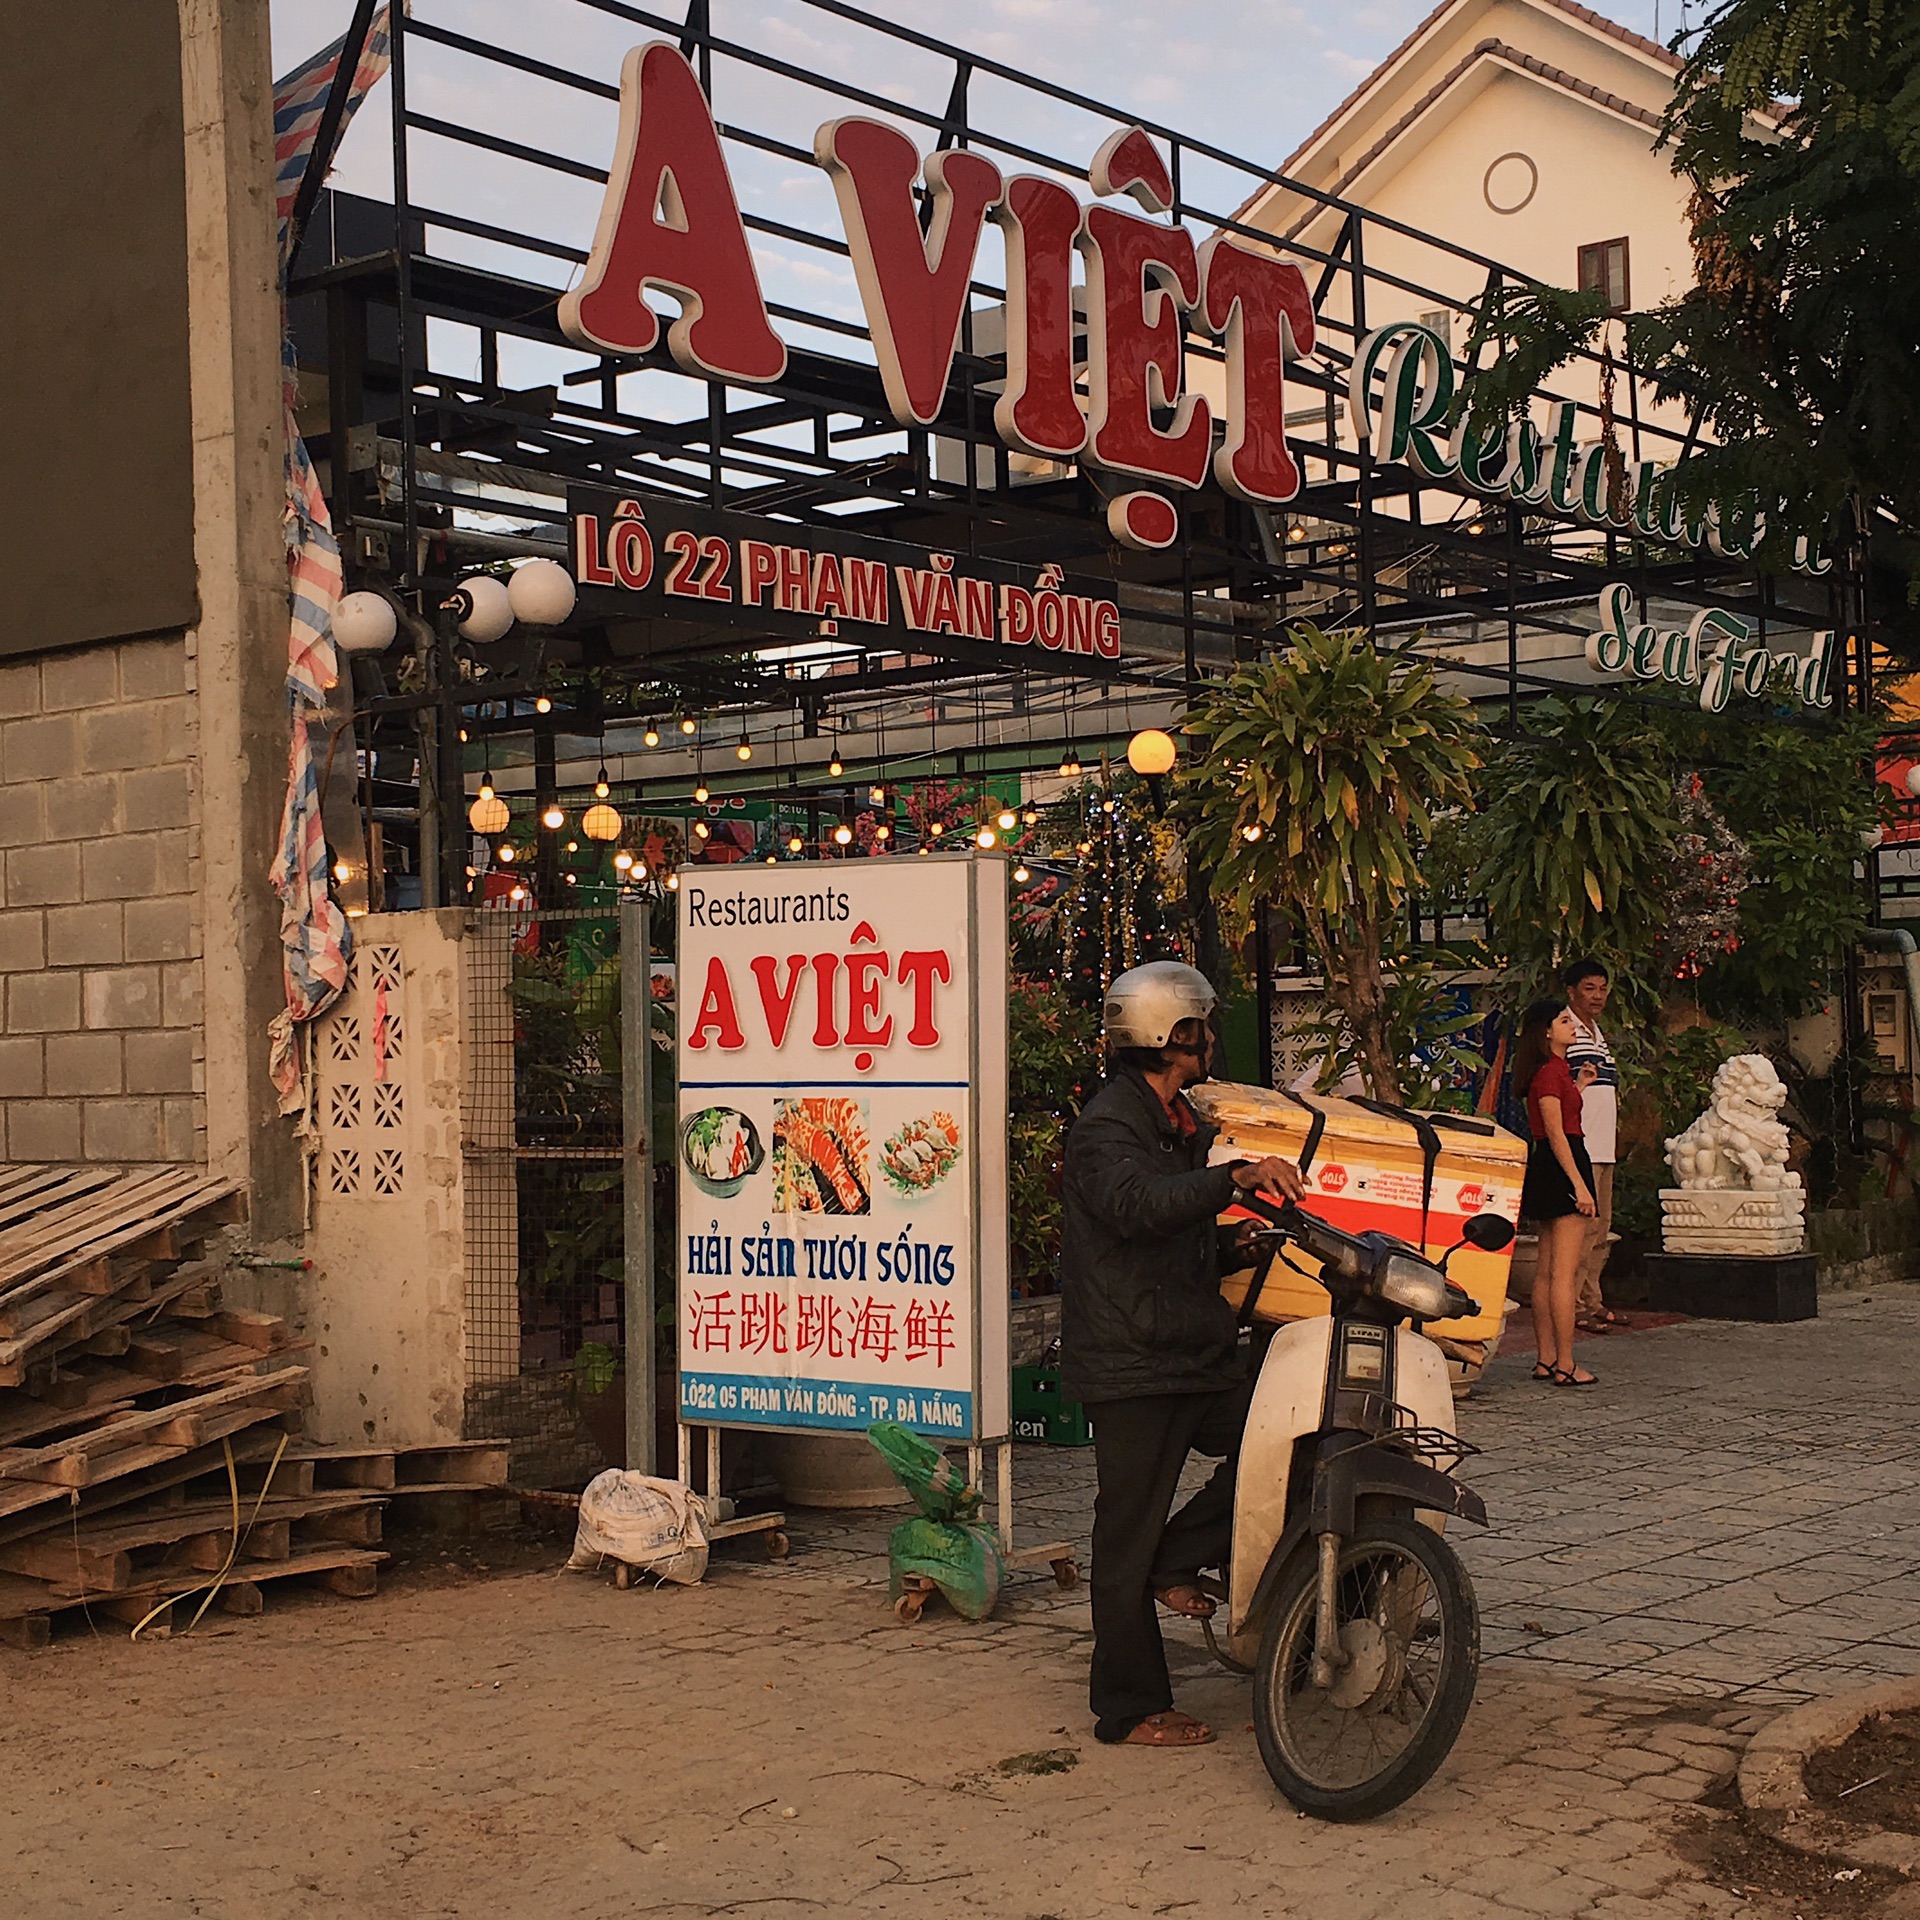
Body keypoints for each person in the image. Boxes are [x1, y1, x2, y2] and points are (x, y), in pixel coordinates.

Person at [1060, 961, 1304, 1750]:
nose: (1210, 1039)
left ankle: (1178, 1561)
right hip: (1132, 1363)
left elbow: (1173, 1231)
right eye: (1201, 1025)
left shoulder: (1179, 1121)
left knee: (1295, 1444)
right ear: (1174, 1034)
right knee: (1120, 1538)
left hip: (1192, 1351)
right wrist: (1233, 1181)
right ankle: (1127, 1707)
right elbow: (1136, 1208)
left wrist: (1236, 1241)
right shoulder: (1107, 1126)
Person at [1514, 997, 1599, 1387]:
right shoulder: (1549, 1073)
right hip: (1562, 1161)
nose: (1573, 1025)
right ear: (1546, 1030)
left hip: (1551, 1163)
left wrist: (1579, 1085)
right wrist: (1579, 1185)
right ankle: (1565, 1360)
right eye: (1564, 1020)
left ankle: (1546, 1357)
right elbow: (1555, 1132)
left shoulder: (1555, 1072)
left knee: (1548, 1270)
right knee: (1561, 1274)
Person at [1562, 959, 1619, 1331]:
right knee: (1581, 1232)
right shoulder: (1566, 1031)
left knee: (1600, 1228)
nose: (1597, 996)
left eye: (1602, 989)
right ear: (1572, 991)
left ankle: (1593, 1299)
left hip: (1605, 1145)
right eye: (1589, 988)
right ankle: (1576, 1307)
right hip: (1583, 1146)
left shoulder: (1597, 1033)